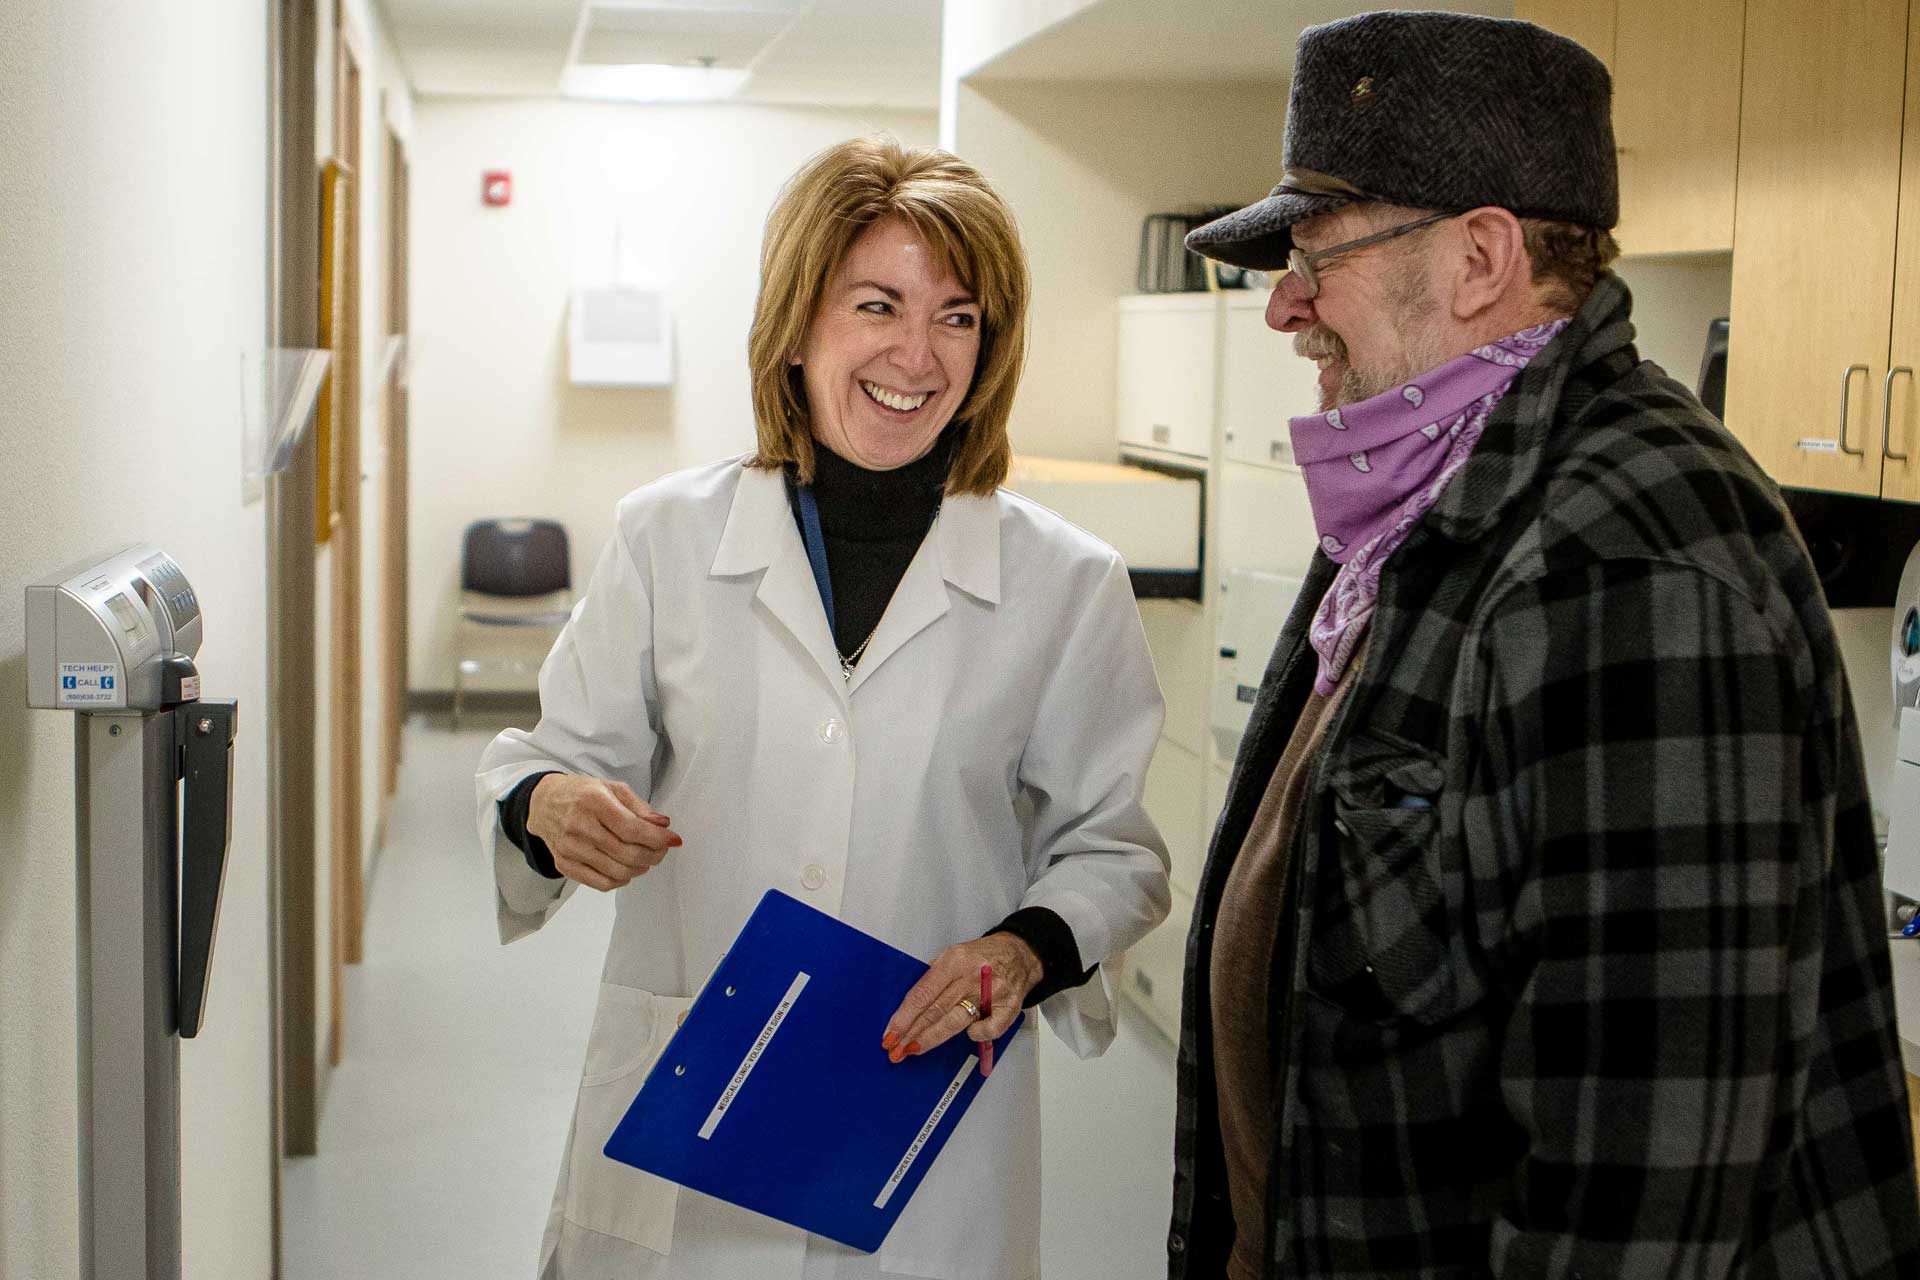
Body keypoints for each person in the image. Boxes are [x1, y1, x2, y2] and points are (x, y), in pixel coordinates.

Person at [1168, 12, 1920, 1278]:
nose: (1284, 305)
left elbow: (1639, 1183)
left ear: (1480, 256)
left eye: (1318, 253)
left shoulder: (1622, 560)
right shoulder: (1432, 488)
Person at [475, 135, 1171, 1280]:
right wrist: (548, 804)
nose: (917, 352)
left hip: (918, 1121)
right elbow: (547, 755)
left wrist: (1029, 945)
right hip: (693, 1097)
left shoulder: (1064, 580)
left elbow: (1115, 848)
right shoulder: (668, 537)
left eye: (959, 316)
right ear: (799, 325)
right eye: (878, 304)